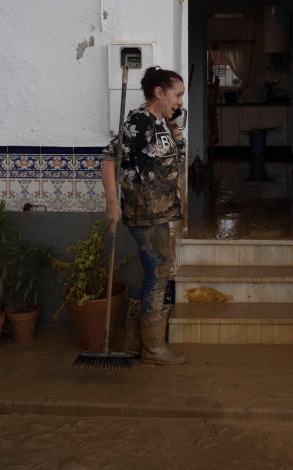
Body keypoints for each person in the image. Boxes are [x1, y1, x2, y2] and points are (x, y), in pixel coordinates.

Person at [101, 66, 186, 366]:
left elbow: (173, 157)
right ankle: (153, 349)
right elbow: (110, 158)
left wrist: (175, 131)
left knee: (153, 276)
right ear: (159, 92)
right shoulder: (140, 120)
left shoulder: (160, 123)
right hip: (145, 214)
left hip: (159, 213)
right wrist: (113, 202)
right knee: (159, 276)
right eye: (177, 95)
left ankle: (136, 342)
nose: (179, 102)